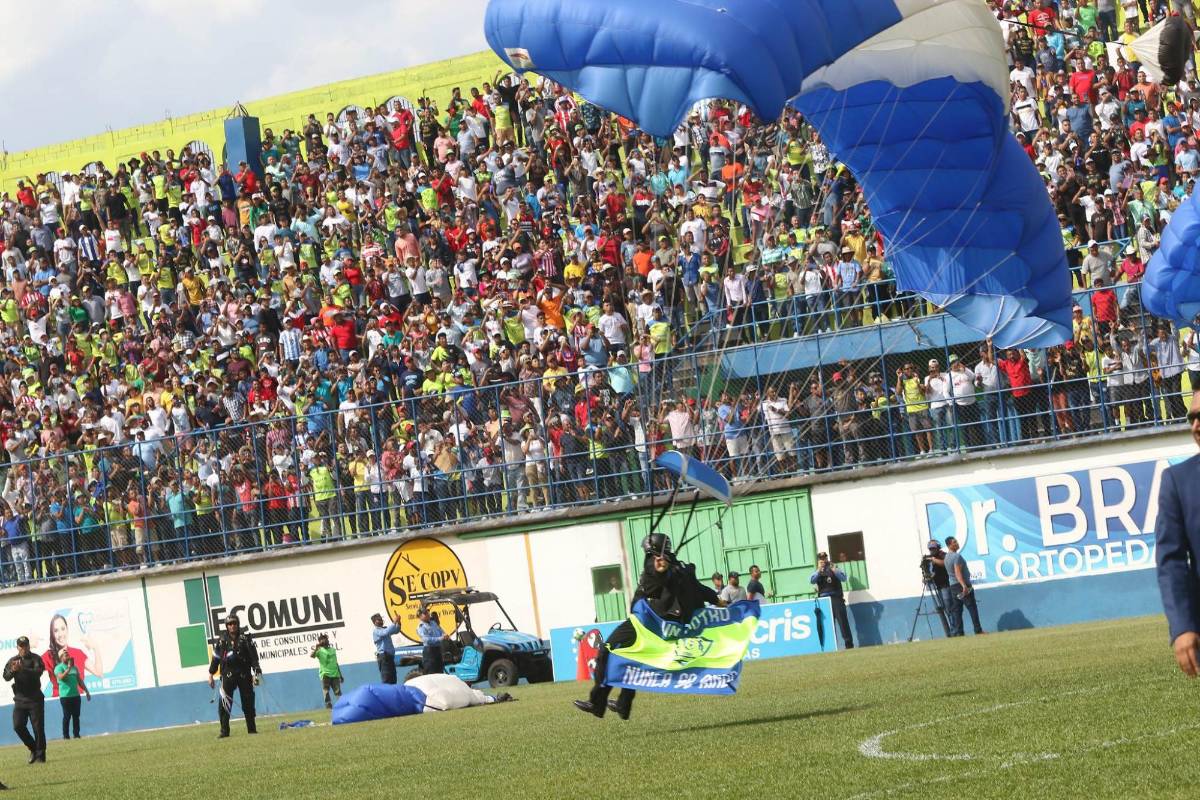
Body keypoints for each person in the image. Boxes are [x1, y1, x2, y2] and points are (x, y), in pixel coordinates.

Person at [574, 532, 723, 720]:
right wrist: (717, 599)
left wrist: (660, 571)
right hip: (658, 624)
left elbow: (656, 580)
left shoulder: (663, 567)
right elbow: (698, 589)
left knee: (606, 650)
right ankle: (623, 704)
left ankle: (597, 703)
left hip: (646, 621)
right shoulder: (681, 568)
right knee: (631, 658)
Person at [1155, 389, 1200, 677]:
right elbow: (1171, 561)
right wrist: (1183, 625)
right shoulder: (1178, 481)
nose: (1197, 425)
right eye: (1193, 418)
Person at [207, 615, 262, 738]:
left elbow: (254, 657)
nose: (232, 626)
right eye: (230, 624)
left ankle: (252, 729)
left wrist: (257, 671)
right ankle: (224, 731)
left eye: (234, 623)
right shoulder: (222, 640)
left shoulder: (245, 638)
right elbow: (215, 658)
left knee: (248, 702)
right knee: (224, 704)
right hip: (228, 675)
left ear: (238, 624)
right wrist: (211, 674)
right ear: (227, 626)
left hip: (244, 674)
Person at [3, 636, 46, 763]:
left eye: (26, 645)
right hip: (20, 700)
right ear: (17, 647)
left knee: (38, 728)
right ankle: (33, 748)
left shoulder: (36, 658)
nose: (24, 648)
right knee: (18, 726)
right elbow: (6, 676)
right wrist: (12, 670)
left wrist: (23, 669)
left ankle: (41, 755)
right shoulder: (13, 660)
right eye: (21, 646)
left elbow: (38, 672)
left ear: (28, 646)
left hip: (35, 699)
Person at [810, 551, 854, 649]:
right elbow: (812, 580)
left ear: (827, 558)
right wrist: (818, 570)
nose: (823, 560)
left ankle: (849, 644)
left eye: (824, 558)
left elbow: (843, 578)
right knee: (828, 624)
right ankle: (831, 646)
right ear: (819, 560)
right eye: (821, 559)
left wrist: (834, 570)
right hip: (824, 600)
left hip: (836, 598)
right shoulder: (817, 570)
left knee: (843, 622)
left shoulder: (834, 566)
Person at [943, 536, 983, 637]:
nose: (957, 543)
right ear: (949, 545)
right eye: (954, 542)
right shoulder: (956, 557)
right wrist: (964, 585)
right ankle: (978, 630)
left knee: (957, 610)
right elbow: (957, 572)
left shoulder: (946, 557)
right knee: (972, 607)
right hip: (961, 585)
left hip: (953, 586)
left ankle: (959, 632)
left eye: (956, 541)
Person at [54, 650, 90, 739]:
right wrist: (68, 668)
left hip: (76, 695)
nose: (68, 657)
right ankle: (66, 736)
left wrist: (86, 691)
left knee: (76, 716)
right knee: (67, 716)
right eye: (66, 655)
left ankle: (76, 735)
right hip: (65, 696)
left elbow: (79, 680)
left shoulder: (75, 668)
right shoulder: (59, 668)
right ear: (61, 657)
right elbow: (61, 677)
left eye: (68, 655)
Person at [921, 539, 952, 637]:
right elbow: (934, 573)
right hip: (939, 587)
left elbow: (945, 563)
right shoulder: (932, 557)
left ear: (938, 547)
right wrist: (927, 576)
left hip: (946, 586)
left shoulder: (943, 555)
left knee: (949, 608)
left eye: (933, 548)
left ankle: (954, 629)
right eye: (930, 549)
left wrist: (933, 560)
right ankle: (951, 630)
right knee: (945, 608)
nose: (932, 550)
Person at [310, 634, 343, 709]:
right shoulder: (319, 650)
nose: (326, 641)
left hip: (335, 673)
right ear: (320, 641)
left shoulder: (333, 650)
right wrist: (316, 648)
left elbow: (336, 662)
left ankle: (341, 704)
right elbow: (312, 656)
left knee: (338, 692)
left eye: (326, 639)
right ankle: (328, 705)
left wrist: (340, 675)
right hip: (325, 674)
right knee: (326, 690)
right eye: (323, 640)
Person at [417, 606, 449, 676]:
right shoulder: (421, 627)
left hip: (438, 649)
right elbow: (427, 639)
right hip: (430, 651)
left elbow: (440, 630)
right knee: (432, 673)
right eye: (425, 613)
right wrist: (440, 638)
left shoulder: (433, 623)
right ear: (420, 616)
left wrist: (444, 635)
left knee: (440, 672)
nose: (428, 614)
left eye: (427, 612)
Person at [371, 612, 402, 684]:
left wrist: (398, 622)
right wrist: (394, 622)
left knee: (393, 678)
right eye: (378, 620)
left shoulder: (384, 629)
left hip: (390, 657)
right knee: (386, 678)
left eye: (381, 619)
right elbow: (385, 632)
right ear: (374, 622)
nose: (381, 620)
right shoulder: (376, 631)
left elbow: (396, 630)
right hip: (384, 657)